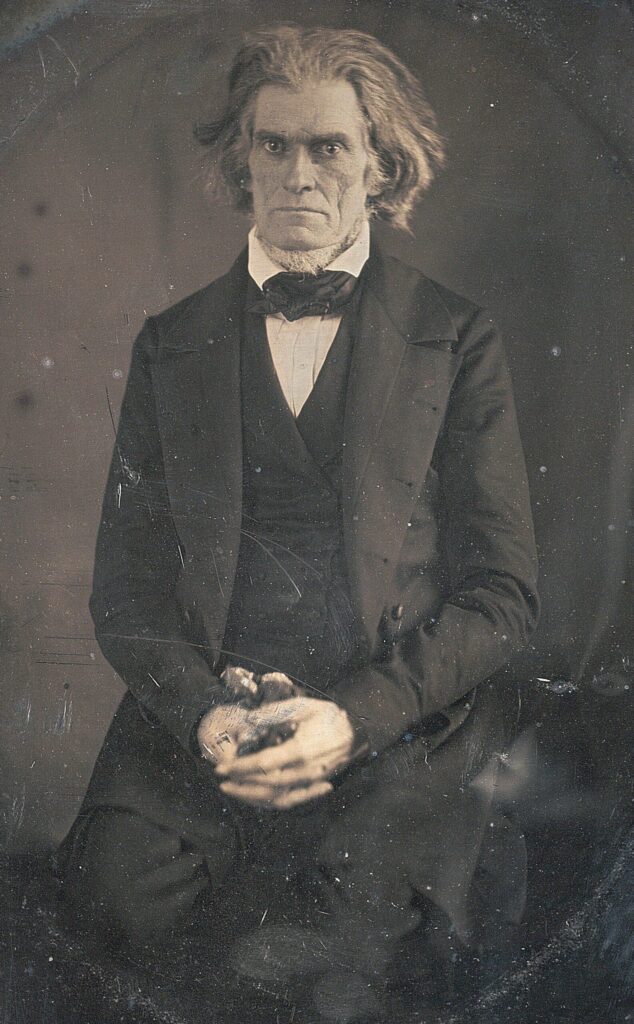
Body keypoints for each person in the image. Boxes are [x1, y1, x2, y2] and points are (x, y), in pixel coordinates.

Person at [56, 24, 540, 1024]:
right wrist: (205, 715)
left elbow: (502, 596)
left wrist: (353, 717)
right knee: (107, 906)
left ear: (379, 166)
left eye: (329, 147)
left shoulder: (455, 336)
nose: (298, 173)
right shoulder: (170, 344)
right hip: (210, 723)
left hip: (399, 724)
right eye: (273, 145)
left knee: (340, 960)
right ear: (244, 160)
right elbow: (126, 590)